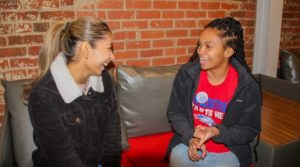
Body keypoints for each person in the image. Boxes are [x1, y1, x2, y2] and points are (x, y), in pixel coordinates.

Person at [25, 16, 122, 167]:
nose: (112, 56)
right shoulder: (43, 97)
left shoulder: (105, 80)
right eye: (109, 48)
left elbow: (112, 137)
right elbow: (63, 159)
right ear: (85, 50)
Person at [166, 17, 261, 167]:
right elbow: (175, 113)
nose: (200, 51)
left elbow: (249, 130)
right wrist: (191, 138)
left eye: (208, 46)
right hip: (187, 144)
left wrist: (217, 132)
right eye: (199, 45)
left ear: (228, 51)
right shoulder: (187, 74)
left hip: (229, 151)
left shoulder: (247, 86)